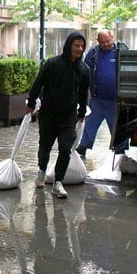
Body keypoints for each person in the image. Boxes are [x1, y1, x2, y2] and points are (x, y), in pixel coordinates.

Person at [26, 31, 89, 199]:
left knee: (65, 147)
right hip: (48, 113)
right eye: (76, 45)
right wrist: (31, 103)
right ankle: (41, 171)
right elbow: (38, 84)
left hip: (69, 115)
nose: (80, 49)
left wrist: (82, 113)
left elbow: (83, 94)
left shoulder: (84, 69)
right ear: (69, 45)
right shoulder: (52, 64)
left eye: (82, 46)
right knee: (45, 145)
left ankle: (58, 182)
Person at [76, 29, 128, 157]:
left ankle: (120, 151)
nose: (105, 44)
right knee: (90, 125)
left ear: (112, 37)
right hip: (97, 99)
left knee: (117, 127)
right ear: (98, 41)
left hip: (115, 100)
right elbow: (85, 72)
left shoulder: (121, 52)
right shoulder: (93, 53)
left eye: (108, 41)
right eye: (102, 42)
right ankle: (83, 147)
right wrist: (85, 90)